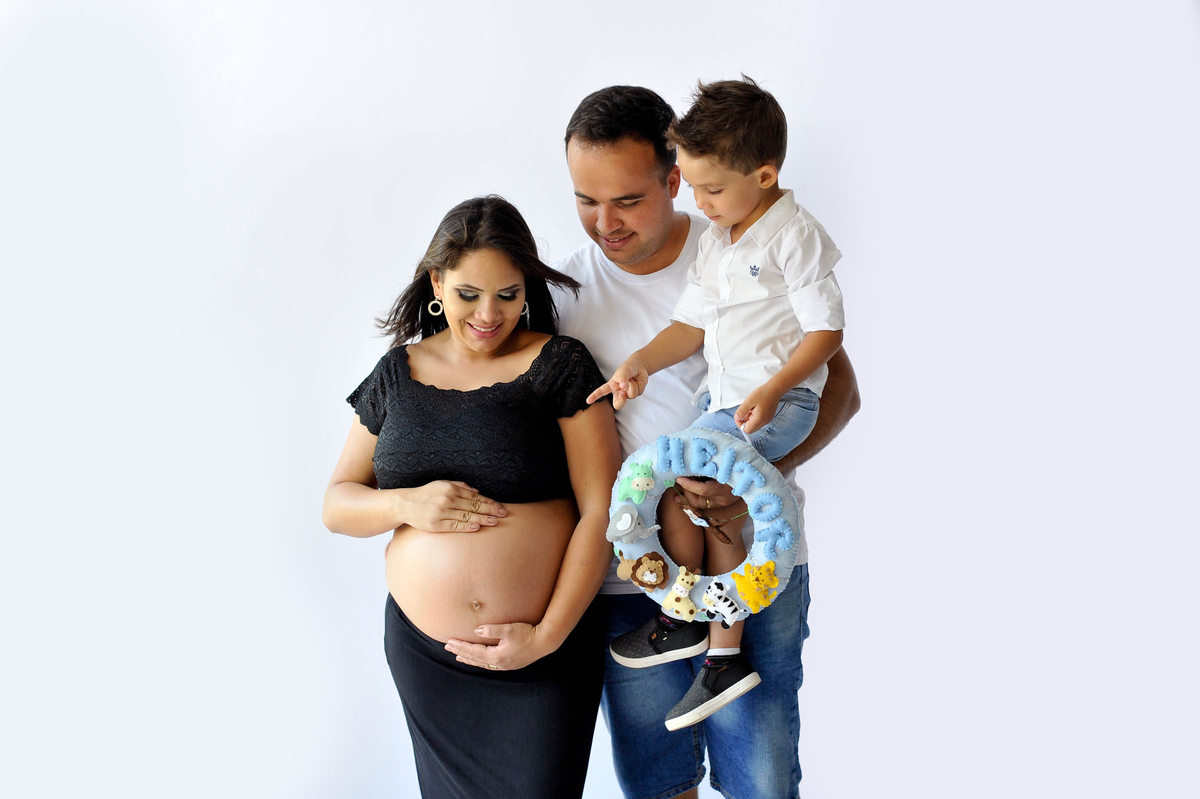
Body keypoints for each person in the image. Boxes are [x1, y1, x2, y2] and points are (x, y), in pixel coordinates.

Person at [550, 86, 860, 799]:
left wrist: (754, 480)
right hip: (633, 576)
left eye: (627, 200)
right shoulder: (566, 294)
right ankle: (680, 627)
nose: (605, 223)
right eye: (586, 200)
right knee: (658, 784)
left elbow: (839, 390)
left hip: (754, 558)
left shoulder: (749, 241)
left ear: (674, 181)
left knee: (759, 781)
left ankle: (719, 649)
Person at [322, 195, 621, 799]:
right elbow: (337, 503)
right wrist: (405, 505)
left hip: (545, 653)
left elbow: (603, 510)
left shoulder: (559, 363)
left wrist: (546, 636)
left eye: (508, 295)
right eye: (468, 295)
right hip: (428, 659)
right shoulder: (396, 373)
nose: (489, 314)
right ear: (437, 283)